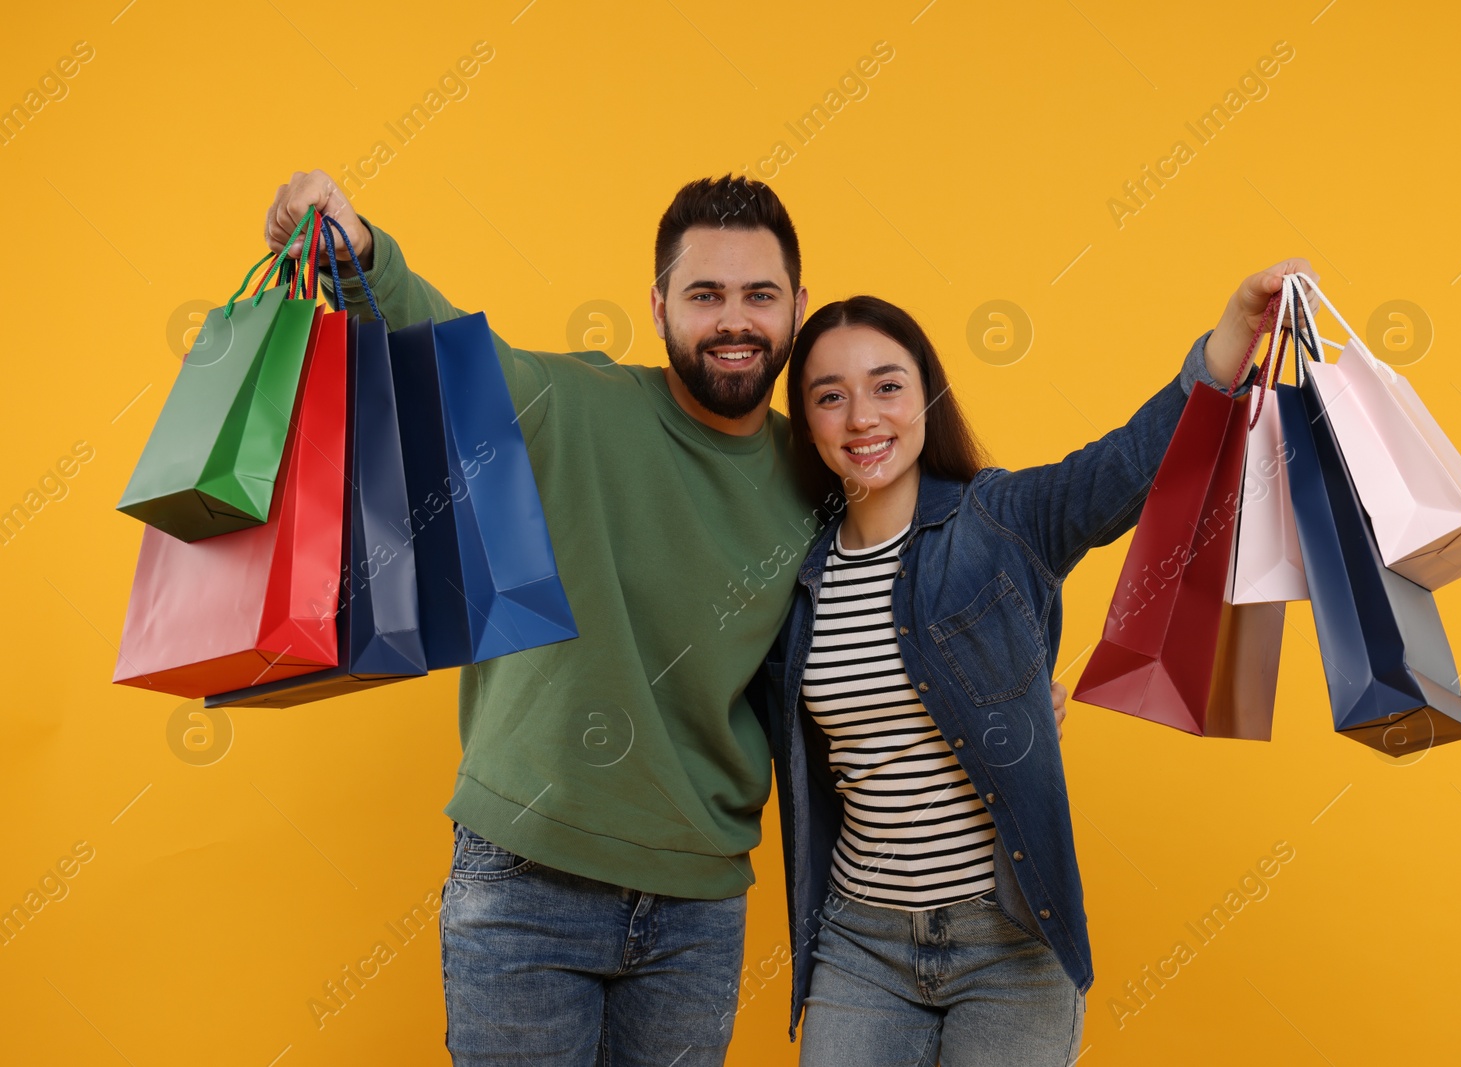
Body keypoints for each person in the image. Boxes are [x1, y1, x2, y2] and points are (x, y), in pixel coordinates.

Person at [261, 169, 1073, 1065]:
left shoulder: (817, 477)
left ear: (796, 309)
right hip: (528, 885)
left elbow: (938, 562)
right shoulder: (578, 405)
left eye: (759, 295)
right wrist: (358, 257)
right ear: (658, 306)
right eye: (705, 295)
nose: (734, 320)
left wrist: (1005, 680)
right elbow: (445, 352)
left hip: (697, 906)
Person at [760, 263, 1315, 1066]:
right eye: (829, 395)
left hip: (1008, 944)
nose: (861, 417)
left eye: (887, 386)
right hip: (860, 943)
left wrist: (1232, 334)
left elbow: (1123, 467)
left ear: (927, 398)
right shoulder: (798, 575)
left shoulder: (999, 519)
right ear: (805, 419)